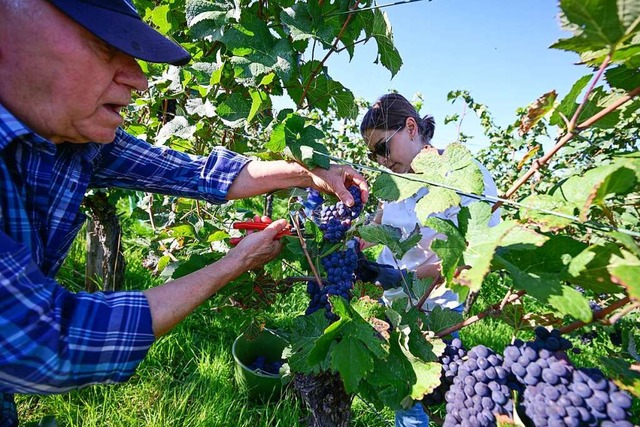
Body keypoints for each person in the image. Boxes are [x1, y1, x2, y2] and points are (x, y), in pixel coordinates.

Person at [0, 0, 369, 425]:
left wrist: (307, 173)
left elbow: (197, 173)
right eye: (104, 48)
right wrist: (233, 264)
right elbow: (49, 344)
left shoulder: (76, 139)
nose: (138, 79)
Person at [359, 93, 501, 427]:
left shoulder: (466, 175)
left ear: (411, 128)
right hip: (392, 302)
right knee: (407, 394)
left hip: (437, 309)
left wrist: (406, 276)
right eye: (372, 153)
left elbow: (480, 251)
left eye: (382, 147)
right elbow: (377, 223)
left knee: (446, 398)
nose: (379, 159)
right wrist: (351, 239)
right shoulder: (396, 180)